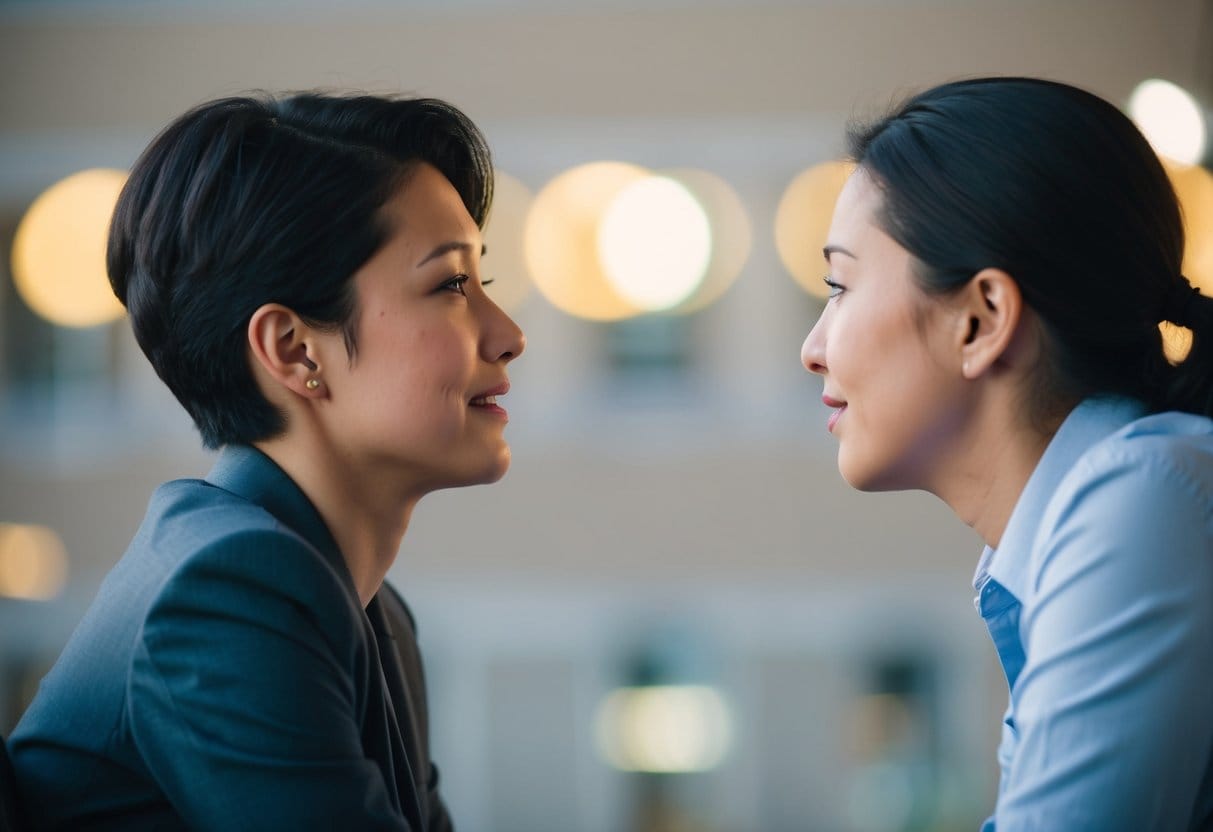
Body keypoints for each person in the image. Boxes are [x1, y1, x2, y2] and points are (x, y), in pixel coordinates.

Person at [7, 91, 524, 830]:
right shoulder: (228, 594)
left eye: (484, 284)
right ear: (293, 350)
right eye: (448, 284)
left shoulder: (367, 612)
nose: (507, 334)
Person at [801, 77, 1213, 830]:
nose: (812, 349)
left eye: (839, 285)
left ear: (981, 317)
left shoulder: (1144, 491)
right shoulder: (1108, 510)